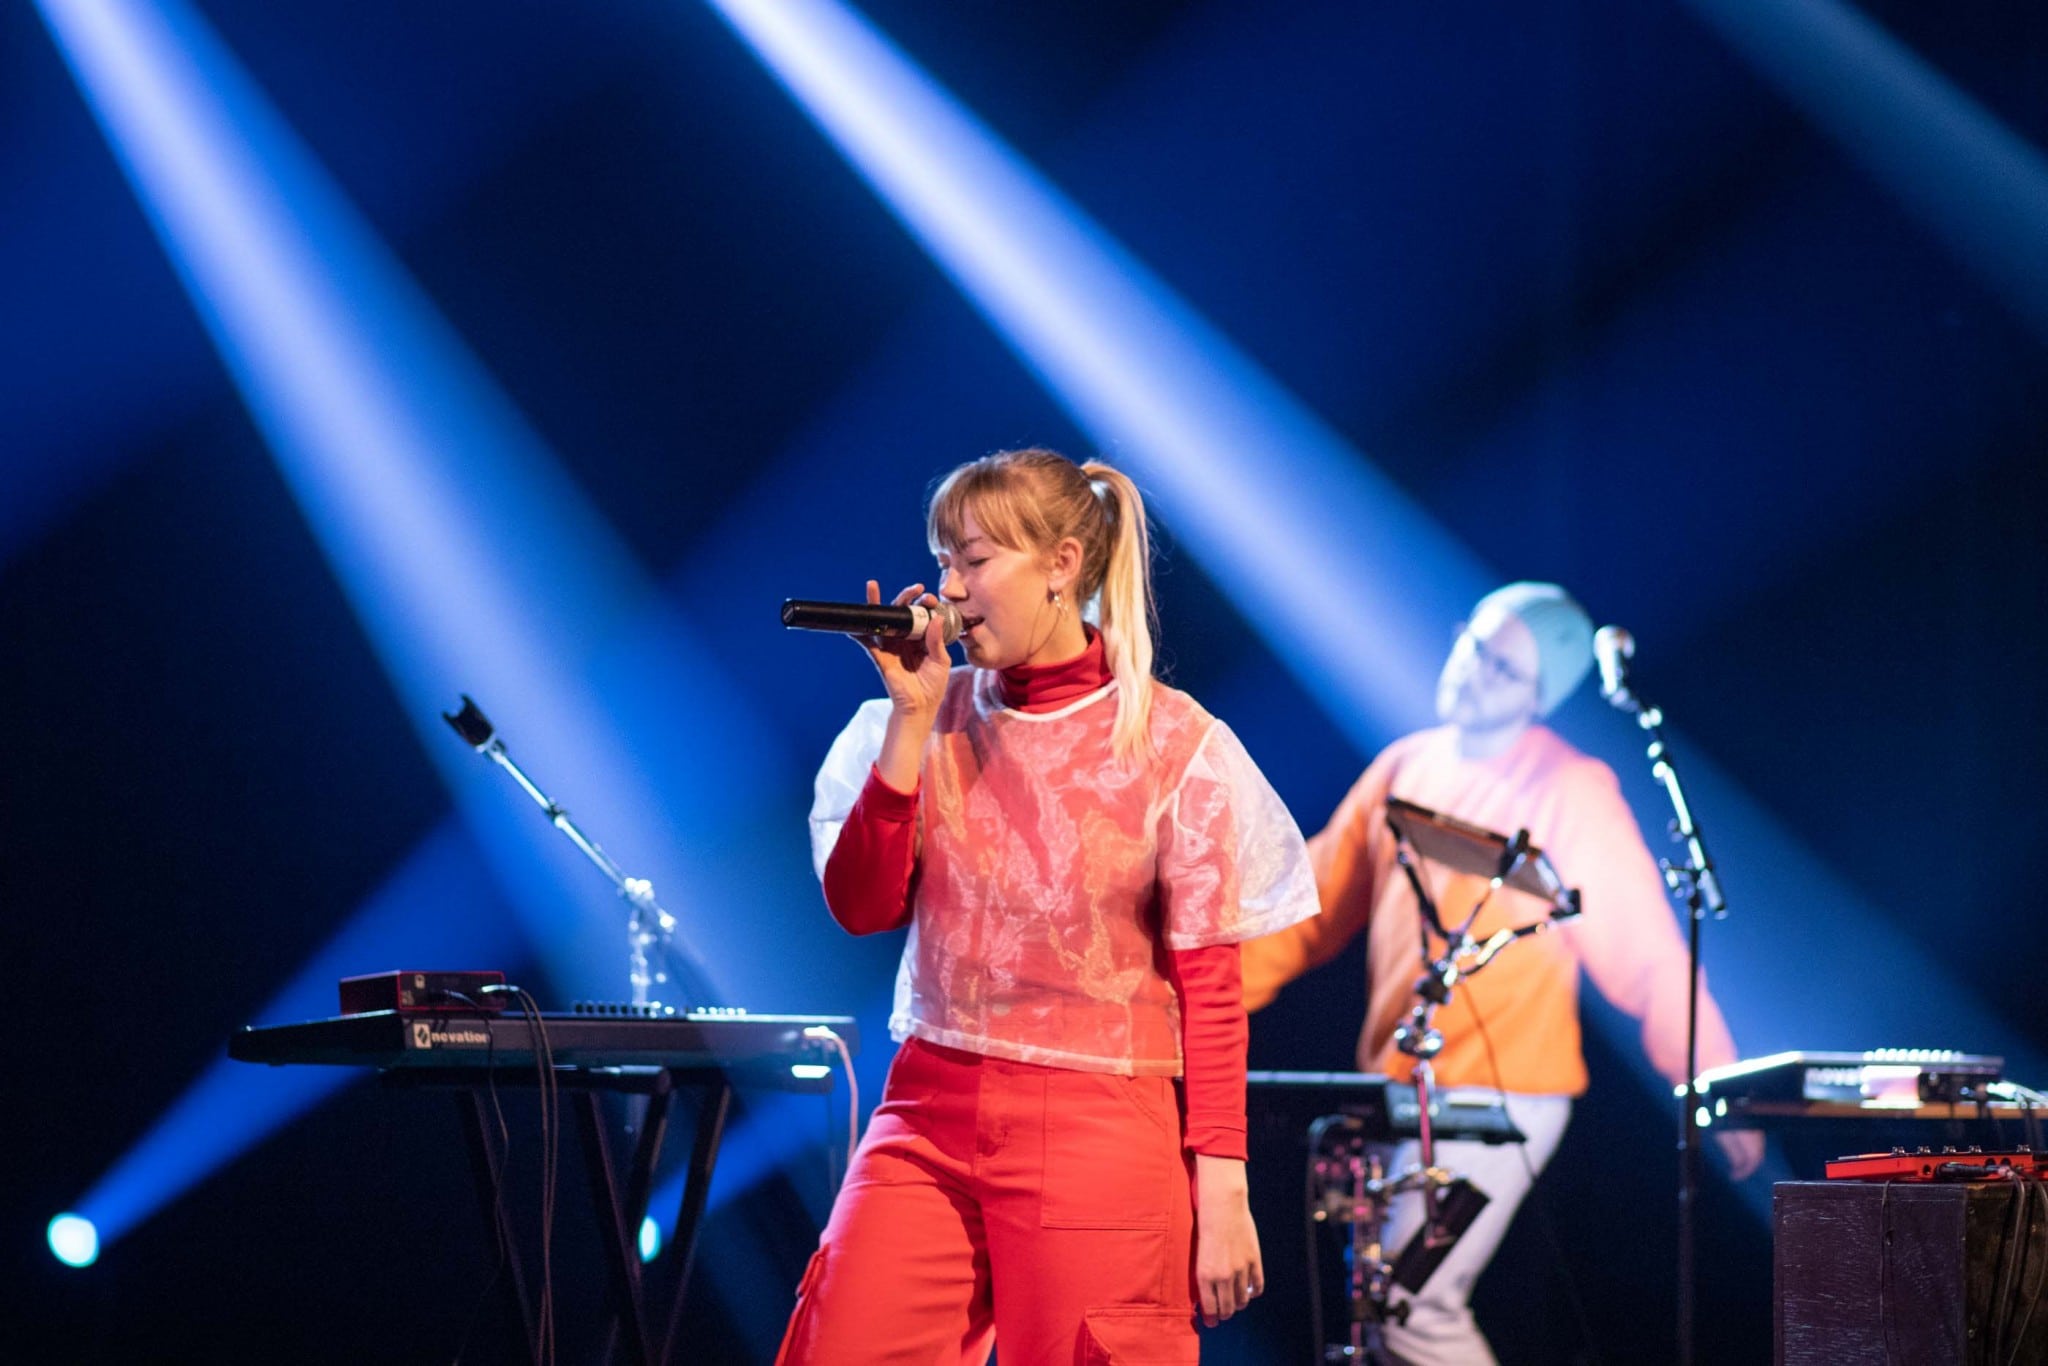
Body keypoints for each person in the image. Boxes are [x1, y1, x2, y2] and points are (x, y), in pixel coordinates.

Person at [780, 448, 1322, 1365]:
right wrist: (911, 721)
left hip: (1098, 1125)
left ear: (1063, 565)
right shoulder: (927, 717)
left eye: (974, 560)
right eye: (943, 560)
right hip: (926, 1109)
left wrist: (1221, 1188)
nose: (948, 588)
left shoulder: (1173, 743)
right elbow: (865, 909)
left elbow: (1212, 986)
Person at [1240, 582, 1762, 1366]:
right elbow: (1309, 909)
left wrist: (1716, 1085)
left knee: (1411, 1306)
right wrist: (1190, 1002)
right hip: (1398, 1092)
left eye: (1505, 669)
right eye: (1475, 646)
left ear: (1540, 695)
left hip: (1499, 1100)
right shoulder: (1405, 766)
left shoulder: (1570, 791)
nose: (1476, 672)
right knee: (1373, 1314)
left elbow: (1647, 954)